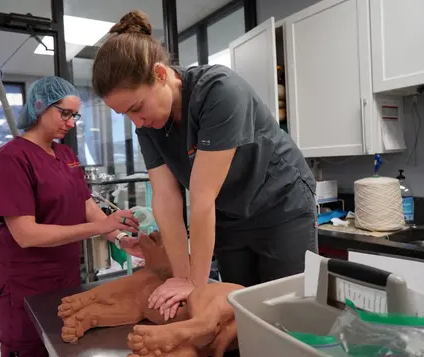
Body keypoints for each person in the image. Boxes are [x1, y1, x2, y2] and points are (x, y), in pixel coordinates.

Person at [91, 10, 317, 321]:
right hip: (230, 214)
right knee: (240, 312)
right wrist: (182, 277)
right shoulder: (149, 124)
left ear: (160, 74)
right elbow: (167, 201)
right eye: (126, 115)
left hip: (281, 204)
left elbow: (200, 196)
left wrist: (195, 282)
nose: (137, 122)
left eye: (137, 108)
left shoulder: (219, 91)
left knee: (291, 314)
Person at [0, 76, 143, 357]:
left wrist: (119, 237)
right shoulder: (10, 159)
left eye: (75, 115)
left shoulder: (66, 154)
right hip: (27, 286)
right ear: (39, 106)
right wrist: (99, 226)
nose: (71, 122)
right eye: (65, 113)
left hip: (67, 278)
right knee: (31, 349)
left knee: (63, 346)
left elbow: (87, 206)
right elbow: (26, 235)